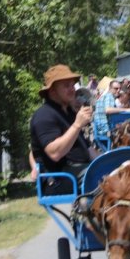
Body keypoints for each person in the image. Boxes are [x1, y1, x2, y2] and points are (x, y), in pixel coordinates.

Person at [30, 64, 99, 195]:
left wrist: (111, 162)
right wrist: (77, 125)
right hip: (59, 179)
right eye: (66, 85)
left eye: (72, 85)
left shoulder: (68, 113)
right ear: (52, 92)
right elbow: (54, 154)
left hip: (78, 171)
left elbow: (88, 150)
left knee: (120, 174)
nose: (72, 89)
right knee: (109, 183)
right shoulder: (44, 115)